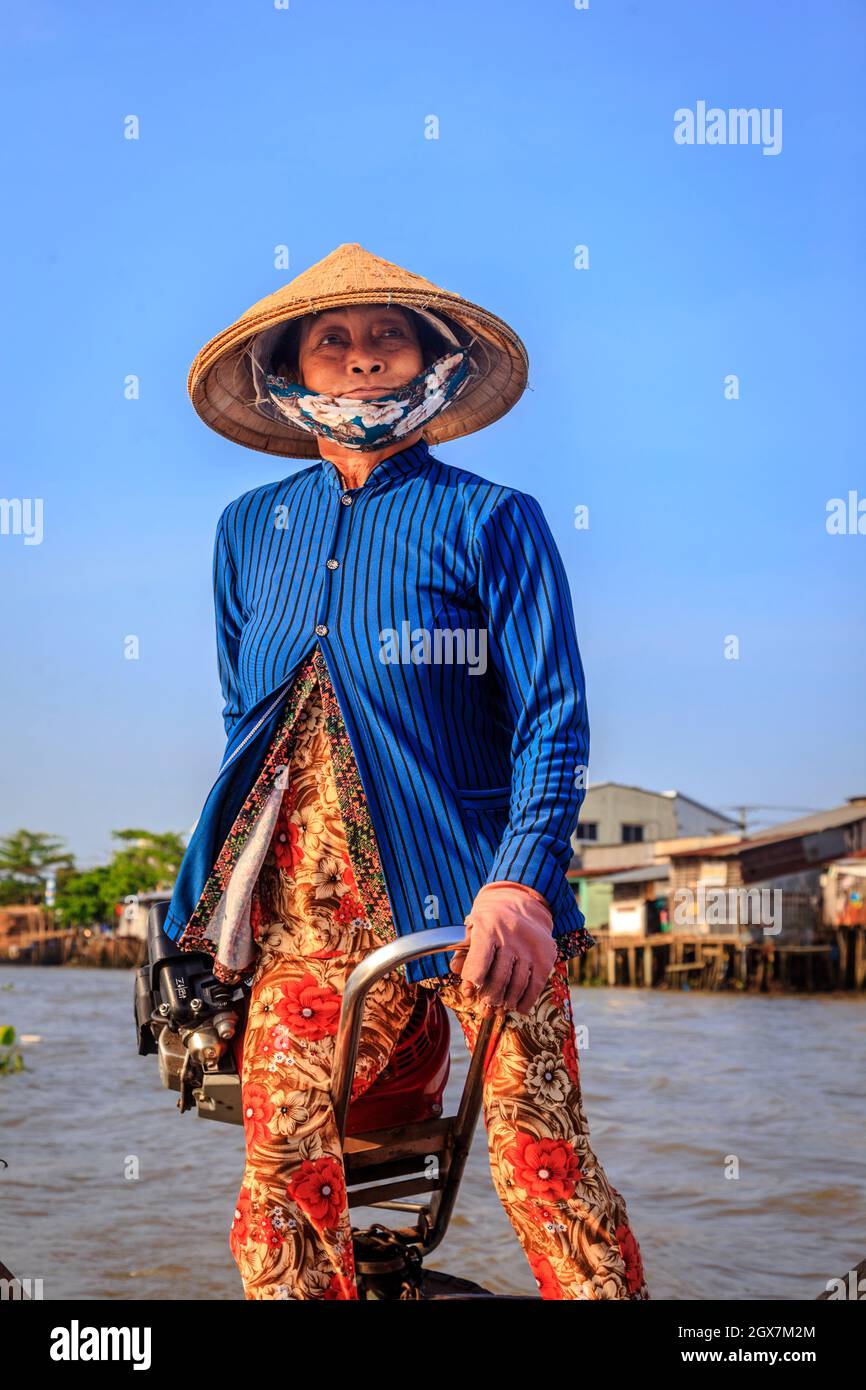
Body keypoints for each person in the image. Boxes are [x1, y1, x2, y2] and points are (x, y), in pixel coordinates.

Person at [162, 242, 650, 1300]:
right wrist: (215, 922)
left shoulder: (492, 519)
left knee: (540, 1162)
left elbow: (552, 720)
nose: (361, 358)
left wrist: (520, 884)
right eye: (331, 339)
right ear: (292, 369)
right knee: (283, 1167)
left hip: (478, 906)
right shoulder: (247, 531)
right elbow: (243, 727)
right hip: (309, 925)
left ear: (430, 361)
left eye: (388, 336)